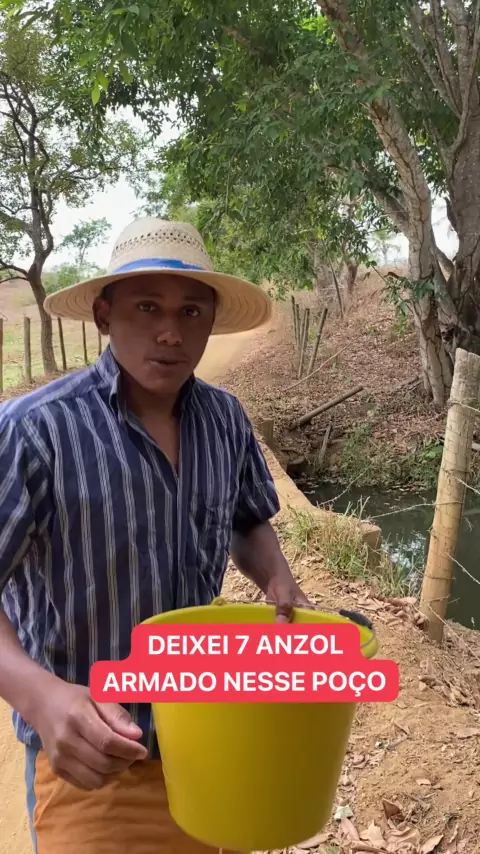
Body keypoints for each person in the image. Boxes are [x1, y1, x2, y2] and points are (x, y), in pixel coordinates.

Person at [0, 217, 309, 854]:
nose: (171, 332)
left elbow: (246, 516)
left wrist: (277, 577)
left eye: (191, 311)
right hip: (95, 764)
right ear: (104, 316)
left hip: (212, 746)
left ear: (211, 321)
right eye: (147, 307)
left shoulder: (225, 420)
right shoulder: (35, 432)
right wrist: (40, 697)